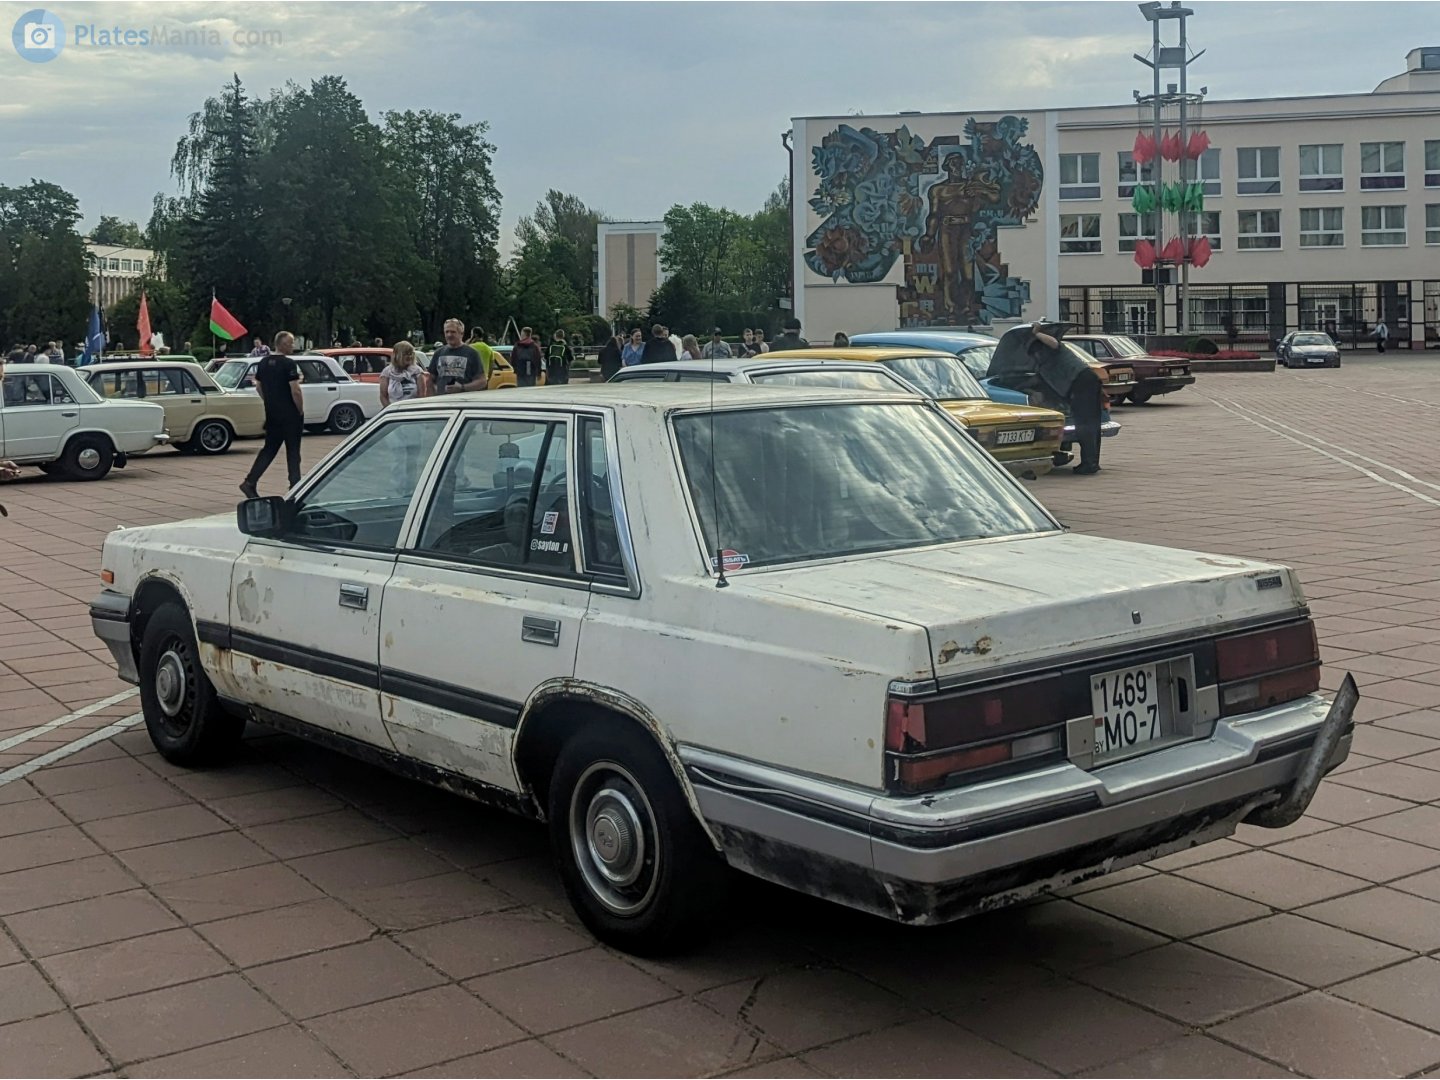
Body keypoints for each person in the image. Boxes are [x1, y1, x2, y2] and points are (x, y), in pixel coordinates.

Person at [989, 320, 1103, 475]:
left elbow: (1053, 342)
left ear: (1040, 350)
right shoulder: (1045, 366)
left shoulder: (1056, 350)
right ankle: (1092, 462)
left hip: (1083, 382)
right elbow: (1036, 380)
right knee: (1090, 424)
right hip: (1085, 383)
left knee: (1086, 425)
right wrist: (1018, 387)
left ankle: (1089, 464)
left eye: (1035, 354)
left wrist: (1036, 333)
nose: (1035, 358)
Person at [239, 331, 306, 498]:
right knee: (293, 451)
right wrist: (299, 410)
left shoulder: (263, 362)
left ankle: (250, 481)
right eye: (290, 343)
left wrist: (268, 401)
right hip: (289, 414)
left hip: (272, 413)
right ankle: (295, 487)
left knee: (269, 449)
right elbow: (295, 390)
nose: (293, 346)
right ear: (282, 344)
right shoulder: (288, 364)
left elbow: (258, 386)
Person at [427, 318, 488, 394]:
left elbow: (482, 381)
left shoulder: (472, 353)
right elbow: (429, 378)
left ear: (461, 333)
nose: (449, 335)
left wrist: (462, 387)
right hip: (441, 401)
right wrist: (436, 389)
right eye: (447, 332)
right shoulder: (438, 353)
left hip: (463, 401)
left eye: (453, 332)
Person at [378, 340, 423, 408]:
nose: (409, 356)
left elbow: (421, 395)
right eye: (405, 354)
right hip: (393, 411)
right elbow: (383, 396)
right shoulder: (387, 372)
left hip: (413, 409)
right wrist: (390, 409)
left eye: (411, 353)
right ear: (397, 355)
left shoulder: (417, 371)